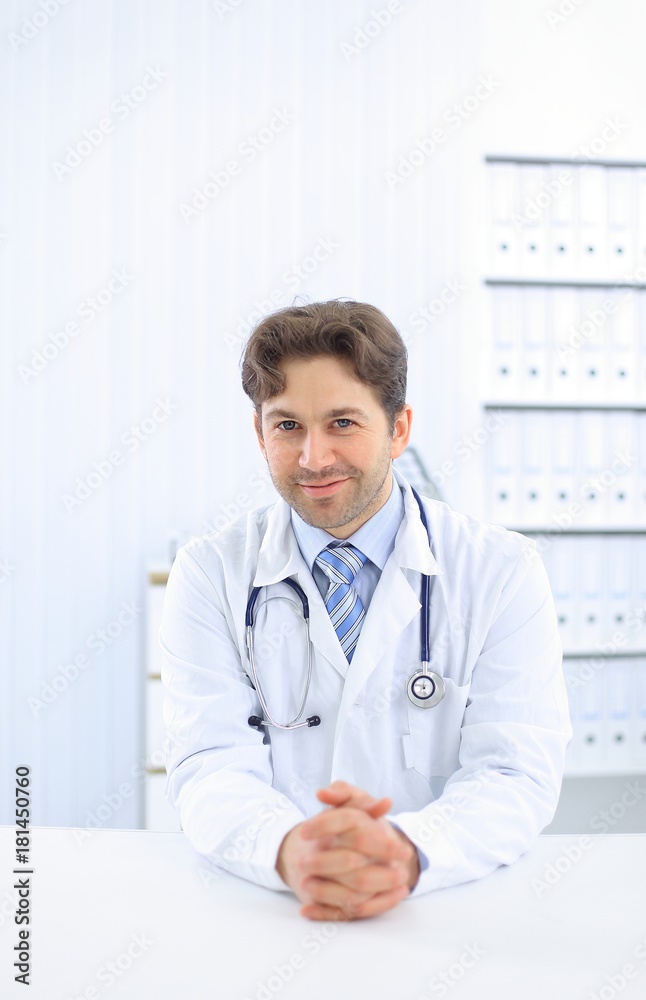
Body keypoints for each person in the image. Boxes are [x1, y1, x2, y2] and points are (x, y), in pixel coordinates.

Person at [160, 298, 571, 923]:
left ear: (399, 428)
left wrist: (409, 851)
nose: (313, 458)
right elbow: (209, 764)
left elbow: (514, 770)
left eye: (343, 423)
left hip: (445, 910)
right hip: (274, 910)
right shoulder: (210, 574)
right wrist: (289, 848)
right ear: (259, 432)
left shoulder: (503, 572)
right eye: (287, 425)